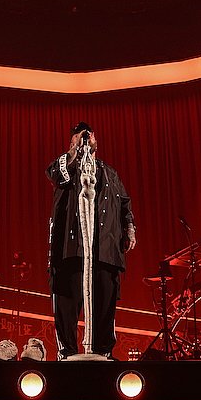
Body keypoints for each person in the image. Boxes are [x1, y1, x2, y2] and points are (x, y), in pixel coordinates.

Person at [46, 121, 136, 360]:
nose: (85, 138)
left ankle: (103, 353)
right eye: (77, 136)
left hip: (105, 250)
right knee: (67, 300)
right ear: (71, 142)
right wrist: (73, 152)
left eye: (89, 135)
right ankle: (67, 353)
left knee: (105, 301)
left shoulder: (110, 172)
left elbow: (124, 203)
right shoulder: (65, 166)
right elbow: (55, 174)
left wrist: (129, 228)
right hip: (71, 249)